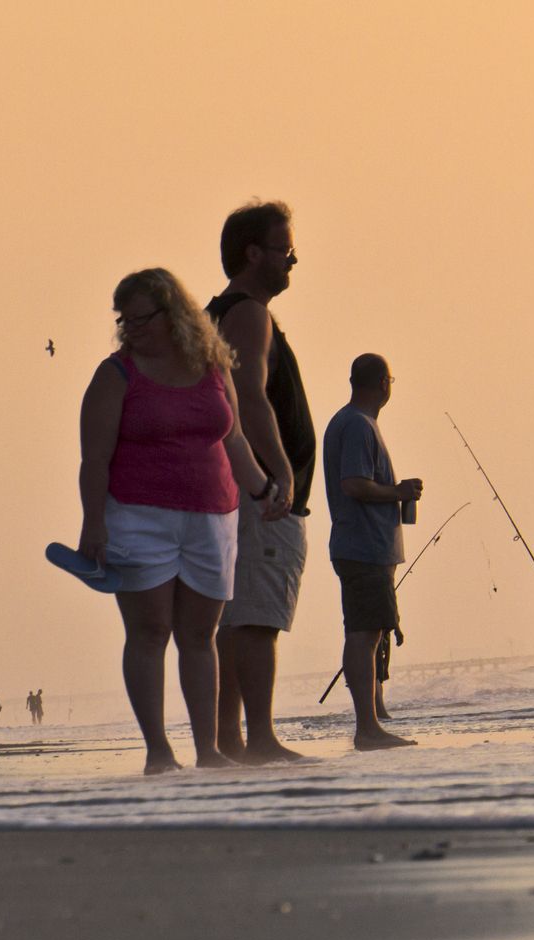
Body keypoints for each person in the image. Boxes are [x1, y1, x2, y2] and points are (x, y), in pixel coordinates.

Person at [78, 267, 279, 774]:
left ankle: (208, 751)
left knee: (200, 636)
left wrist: (264, 489)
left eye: (141, 319)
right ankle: (159, 753)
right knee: (150, 632)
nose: (131, 329)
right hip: (138, 517)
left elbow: (234, 439)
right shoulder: (116, 374)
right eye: (124, 321)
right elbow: (94, 459)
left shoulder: (213, 365)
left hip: (213, 517)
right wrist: (93, 524)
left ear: (173, 316)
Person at [207, 200, 312, 764]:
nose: (293, 260)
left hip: (234, 491)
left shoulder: (223, 313)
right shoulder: (248, 313)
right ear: (253, 253)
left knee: (234, 615)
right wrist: (282, 473)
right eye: (285, 250)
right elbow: (248, 398)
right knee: (256, 618)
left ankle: (231, 739)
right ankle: (261, 740)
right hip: (260, 494)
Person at [322, 353, 418, 750]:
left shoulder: (351, 422)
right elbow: (354, 484)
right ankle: (368, 729)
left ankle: (371, 724)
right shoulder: (359, 425)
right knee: (364, 635)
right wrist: (398, 492)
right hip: (364, 547)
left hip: (363, 547)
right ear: (383, 383)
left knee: (368, 632)